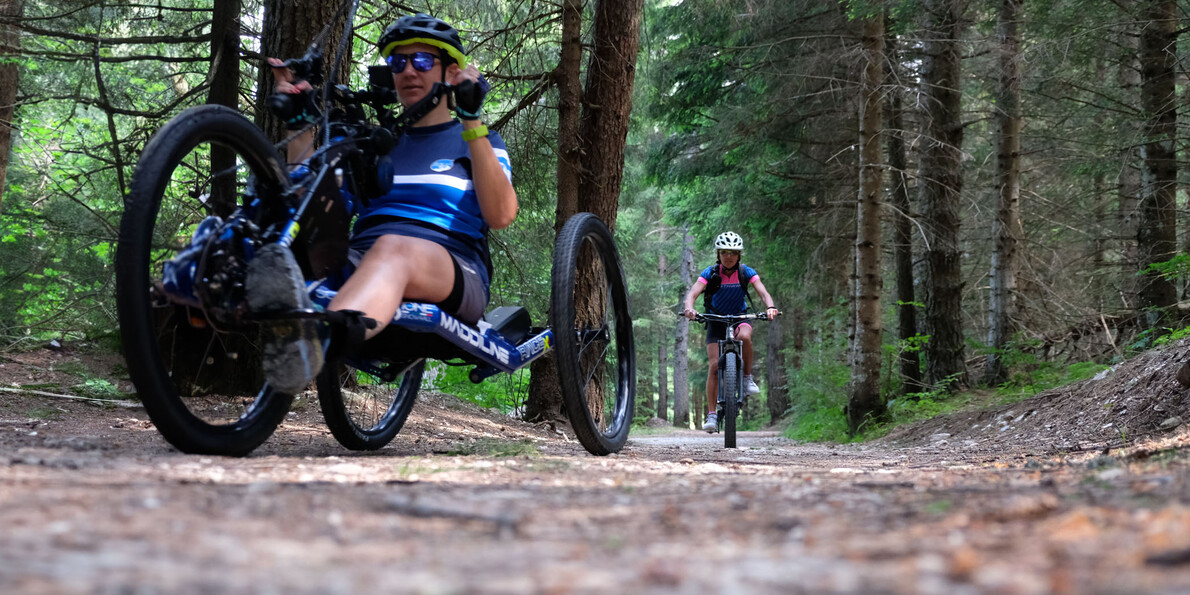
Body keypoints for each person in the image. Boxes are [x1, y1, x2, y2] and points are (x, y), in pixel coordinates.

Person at [247, 13, 518, 394]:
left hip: (454, 269)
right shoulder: (374, 145)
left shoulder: (475, 142)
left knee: (393, 248)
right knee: (283, 237)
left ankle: (316, 344)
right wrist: (300, 125)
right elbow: (309, 204)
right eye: (397, 62)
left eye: (422, 60)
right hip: (364, 260)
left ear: (451, 72)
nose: (408, 71)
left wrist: (472, 120)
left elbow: (501, 214)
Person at [681, 231, 778, 433]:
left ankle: (747, 377)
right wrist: (689, 308)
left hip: (740, 317)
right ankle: (712, 415)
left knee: (744, 337)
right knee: (714, 366)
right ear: (718, 254)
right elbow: (693, 293)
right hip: (715, 319)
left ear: (739, 254)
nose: (729, 256)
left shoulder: (746, 272)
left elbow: (763, 292)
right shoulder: (710, 273)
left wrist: (770, 307)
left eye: (733, 252)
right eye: (724, 252)